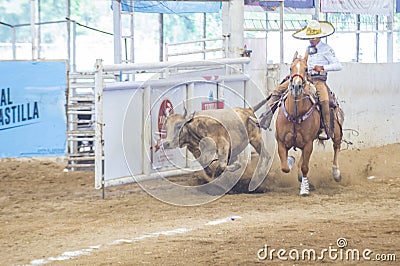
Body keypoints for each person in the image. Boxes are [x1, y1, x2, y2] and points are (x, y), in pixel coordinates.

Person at [259, 20, 342, 140]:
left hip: (319, 80)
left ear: (319, 36)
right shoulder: (308, 49)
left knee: (324, 100)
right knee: (278, 90)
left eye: (313, 37)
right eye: (310, 37)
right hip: (304, 78)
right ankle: (266, 118)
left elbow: (338, 65)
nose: (311, 40)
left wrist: (323, 67)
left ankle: (325, 128)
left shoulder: (326, 49)